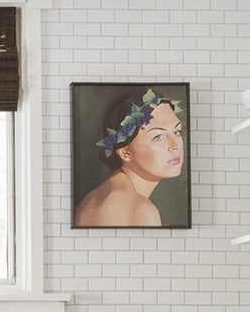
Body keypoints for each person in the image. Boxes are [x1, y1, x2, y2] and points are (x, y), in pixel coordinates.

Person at [73, 87, 184, 226]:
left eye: (177, 132)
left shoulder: (96, 198)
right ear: (125, 152)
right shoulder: (139, 210)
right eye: (158, 137)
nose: (175, 145)